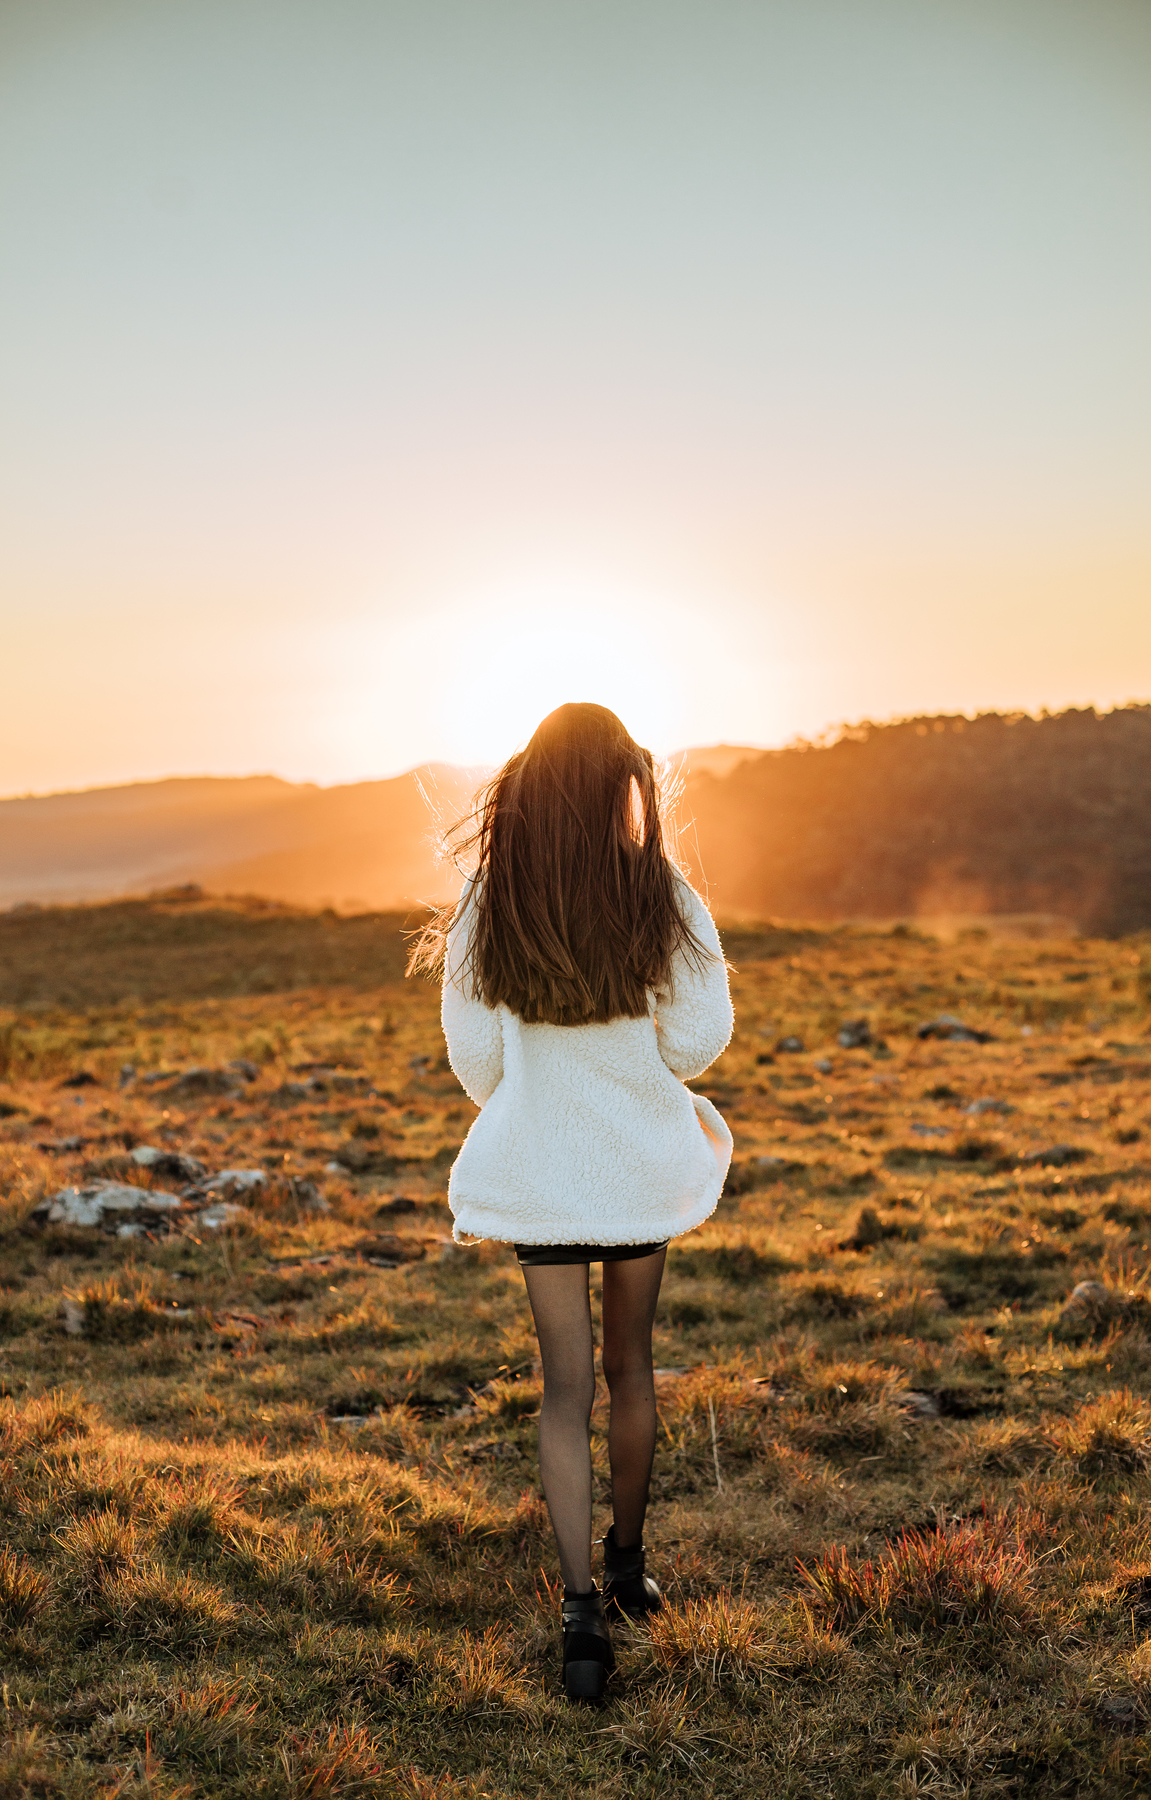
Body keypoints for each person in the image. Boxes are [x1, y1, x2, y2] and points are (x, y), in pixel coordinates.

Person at [410, 703, 734, 1700]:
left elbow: (478, 1063)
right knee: (631, 1369)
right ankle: (633, 1567)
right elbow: (695, 1044)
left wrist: (546, 1099)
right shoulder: (662, 891)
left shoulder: (487, 898)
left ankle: (581, 1613)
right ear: (624, 781)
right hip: (637, 1171)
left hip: (541, 1176)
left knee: (565, 1388)